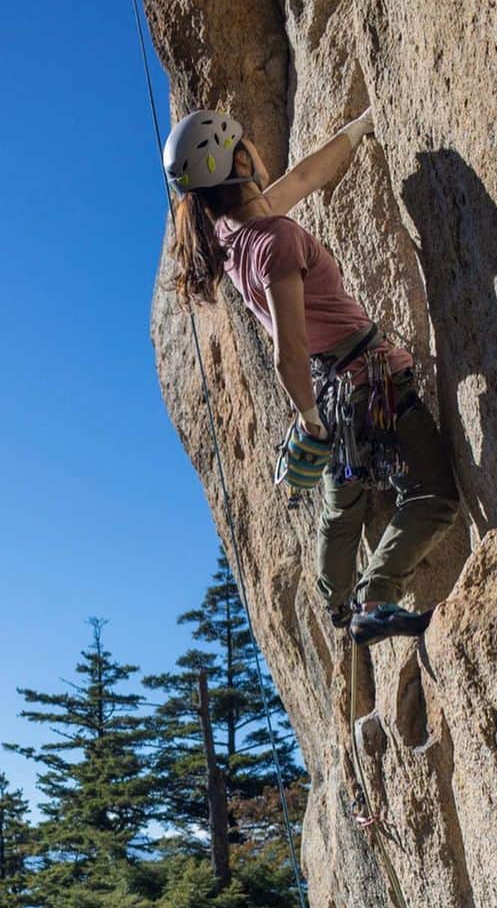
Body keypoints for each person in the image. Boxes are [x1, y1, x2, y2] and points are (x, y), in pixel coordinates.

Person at [161, 108, 460, 646]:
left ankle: (337, 605)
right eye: (242, 140)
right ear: (239, 162)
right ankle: (376, 598)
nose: (252, 141)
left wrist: (358, 129)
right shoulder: (274, 240)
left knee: (340, 508)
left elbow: (301, 178)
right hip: (371, 389)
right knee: (433, 492)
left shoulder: (234, 238)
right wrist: (310, 423)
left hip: (335, 397)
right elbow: (286, 354)